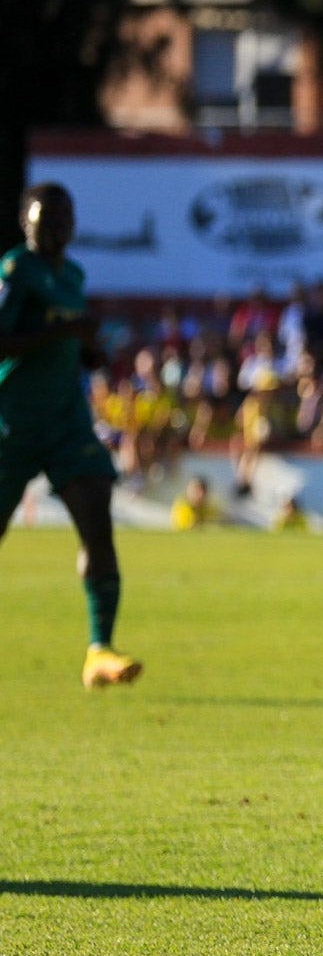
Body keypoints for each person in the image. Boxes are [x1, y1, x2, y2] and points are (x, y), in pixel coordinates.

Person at [0, 184, 142, 688]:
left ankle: (100, 649)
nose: (56, 227)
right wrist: (66, 331)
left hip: (65, 421)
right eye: (46, 219)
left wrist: (89, 351)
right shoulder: (16, 270)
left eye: (64, 218)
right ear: (26, 223)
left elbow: (67, 342)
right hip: (13, 422)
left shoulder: (73, 275)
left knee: (97, 516)